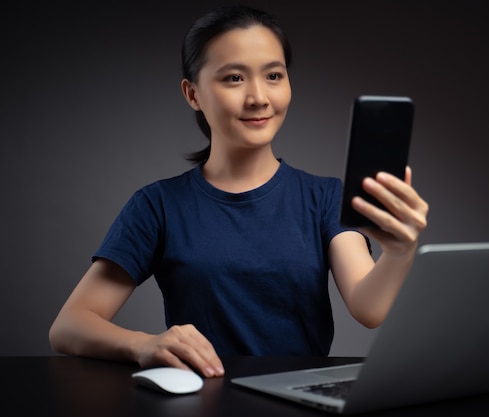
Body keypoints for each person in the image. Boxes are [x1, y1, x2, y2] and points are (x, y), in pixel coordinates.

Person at [48, 5, 428, 379]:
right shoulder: (157, 205)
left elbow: (369, 308)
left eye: (274, 76)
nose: (259, 97)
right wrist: (144, 345)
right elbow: (69, 326)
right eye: (234, 78)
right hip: (202, 399)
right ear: (192, 93)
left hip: (297, 398)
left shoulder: (325, 197)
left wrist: (399, 251)